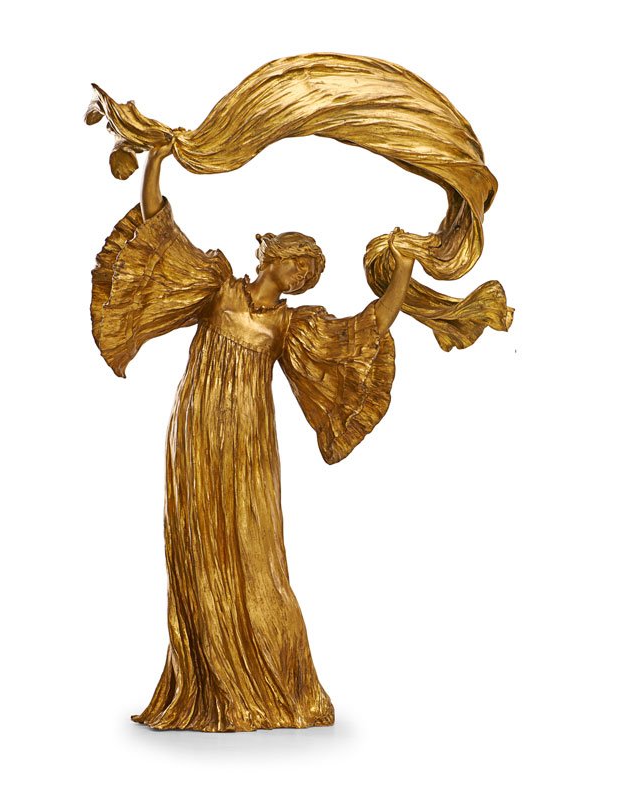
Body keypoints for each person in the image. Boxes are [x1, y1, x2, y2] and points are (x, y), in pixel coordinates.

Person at [91, 143, 415, 731]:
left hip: (249, 440)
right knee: (198, 543)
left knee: (253, 548)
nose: (302, 276)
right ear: (274, 256)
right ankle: (207, 682)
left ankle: (276, 684)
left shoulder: (291, 326)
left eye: (309, 273)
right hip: (197, 425)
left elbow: (366, 328)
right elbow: (161, 232)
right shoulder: (217, 286)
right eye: (299, 264)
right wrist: (157, 160)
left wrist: (405, 269)